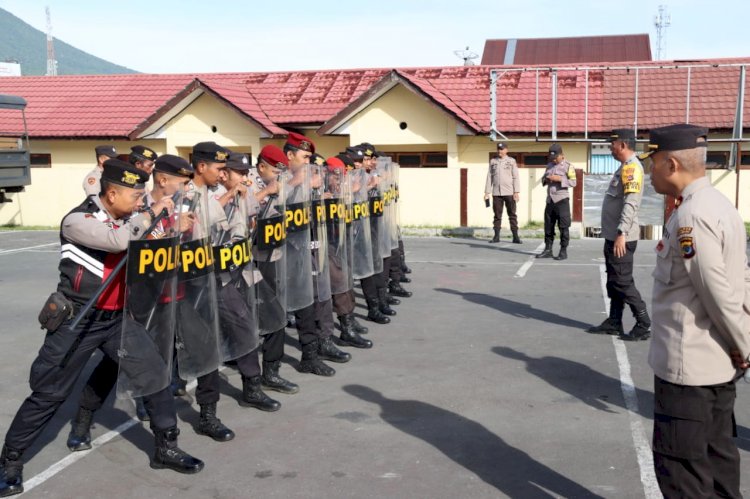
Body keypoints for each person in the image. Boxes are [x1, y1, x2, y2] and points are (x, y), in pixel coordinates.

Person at [0, 160, 203, 497]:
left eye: (142, 196)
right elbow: (119, 241)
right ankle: (10, 462)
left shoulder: (130, 219)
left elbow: (149, 248)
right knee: (49, 392)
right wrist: (152, 212)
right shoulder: (78, 220)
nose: (140, 201)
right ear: (111, 193)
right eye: (136, 196)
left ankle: (166, 447)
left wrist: (173, 228)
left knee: (155, 375)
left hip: (118, 319)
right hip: (77, 319)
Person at [643, 123, 750, 498]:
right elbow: (742, 281)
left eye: (652, 162)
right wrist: (741, 341)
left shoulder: (691, 216)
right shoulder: (718, 205)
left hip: (689, 374)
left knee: (684, 474)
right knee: (719, 467)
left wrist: (746, 345)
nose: (648, 172)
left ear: (671, 164)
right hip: (717, 365)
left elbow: (717, 291)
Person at [587, 129, 650, 340]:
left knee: (622, 281)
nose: (610, 148)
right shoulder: (624, 168)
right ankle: (614, 321)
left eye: (612, 144)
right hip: (613, 236)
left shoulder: (632, 169)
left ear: (622, 145)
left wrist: (622, 232)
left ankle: (643, 322)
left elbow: (631, 203)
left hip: (622, 237)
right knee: (613, 280)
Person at [537, 143, 576, 260]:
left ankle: (563, 251)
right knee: (548, 227)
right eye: (552, 158)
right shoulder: (549, 166)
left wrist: (559, 179)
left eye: (555, 157)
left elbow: (573, 182)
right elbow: (543, 180)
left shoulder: (568, 166)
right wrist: (546, 179)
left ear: (562, 155)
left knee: (563, 227)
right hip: (550, 201)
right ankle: (548, 249)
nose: (554, 160)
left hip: (562, 200)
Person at [484, 142, 521, 244]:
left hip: (509, 192)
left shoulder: (511, 161)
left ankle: (515, 236)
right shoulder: (493, 161)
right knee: (497, 215)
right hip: (496, 193)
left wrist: (516, 191)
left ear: (506, 150)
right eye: (499, 149)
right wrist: (487, 192)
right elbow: (489, 177)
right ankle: (496, 237)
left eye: (502, 149)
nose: (500, 151)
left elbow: (515, 177)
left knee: (512, 214)